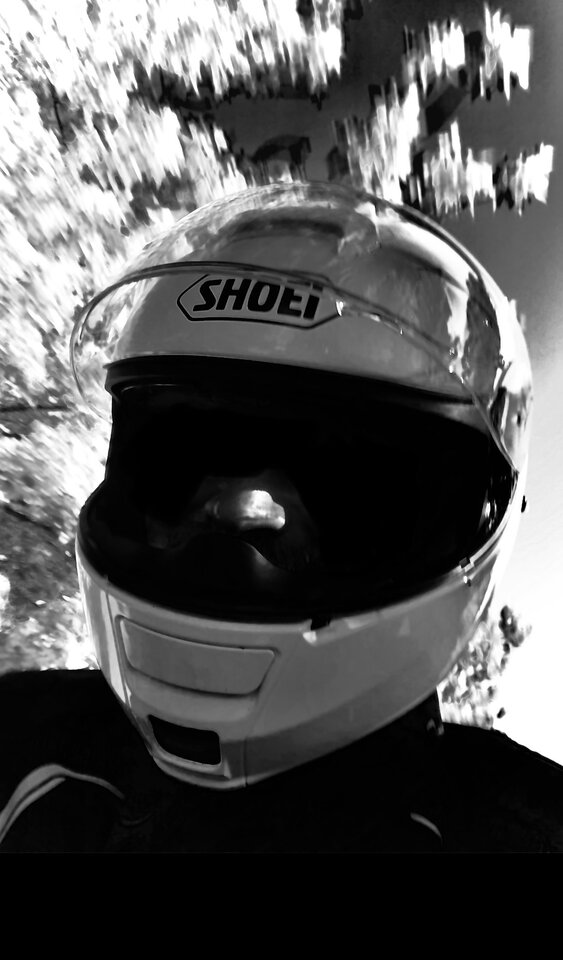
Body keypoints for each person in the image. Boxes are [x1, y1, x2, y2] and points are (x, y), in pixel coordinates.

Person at [2, 180, 562, 853]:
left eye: (346, 488)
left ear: (467, 522)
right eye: (179, 464)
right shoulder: (20, 736)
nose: (238, 519)